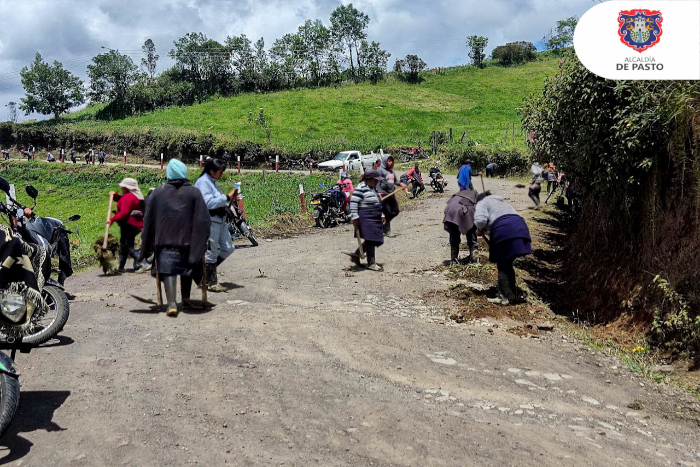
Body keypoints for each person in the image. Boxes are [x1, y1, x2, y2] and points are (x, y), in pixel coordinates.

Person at [139, 160, 211, 317]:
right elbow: (204, 220)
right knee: (187, 269)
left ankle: (171, 303)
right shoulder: (194, 192)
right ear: (184, 173)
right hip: (188, 244)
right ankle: (185, 299)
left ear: (169, 175)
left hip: (166, 245)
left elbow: (149, 220)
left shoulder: (158, 192)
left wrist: (146, 247)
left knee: (169, 270)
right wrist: (201, 241)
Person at [474, 192, 532, 305]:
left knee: (502, 264)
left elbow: (481, 221)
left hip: (505, 230)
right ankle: (511, 294)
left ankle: (503, 297)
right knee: (507, 263)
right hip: (521, 228)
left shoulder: (482, 203)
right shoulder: (502, 203)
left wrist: (479, 229)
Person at [195, 158, 238, 292]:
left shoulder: (212, 183)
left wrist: (228, 204)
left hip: (220, 220)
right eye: (220, 172)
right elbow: (208, 203)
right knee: (211, 252)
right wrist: (226, 197)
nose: (221, 174)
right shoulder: (203, 183)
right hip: (210, 220)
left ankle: (204, 274)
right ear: (212, 171)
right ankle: (211, 282)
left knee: (228, 248)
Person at [349, 169, 385, 271]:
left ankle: (356, 255)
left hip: (374, 217)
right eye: (375, 180)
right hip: (365, 217)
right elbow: (354, 203)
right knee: (371, 239)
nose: (377, 182)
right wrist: (355, 217)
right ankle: (371, 263)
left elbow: (377, 203)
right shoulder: (360, 189)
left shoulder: (373, 189)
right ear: (369, 180)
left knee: (372, 239)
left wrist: (381, 215)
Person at [107, 178, 146, 272]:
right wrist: (115, 196)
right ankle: (121, 266)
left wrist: (112, 219)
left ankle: (143, 263)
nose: (121, 189)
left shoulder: (128, 197)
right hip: (136, 224)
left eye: (122, 187)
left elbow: (124, 212)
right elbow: (123, 199)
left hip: (129, 225)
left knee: (128, 246)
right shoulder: (134, 196)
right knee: (124, 245)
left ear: (126, 188)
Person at [443, 188, 479, 264]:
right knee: (471, 232)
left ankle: (454, 258)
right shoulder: (476, 198)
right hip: (465, 212)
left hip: (451, 212)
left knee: (454, 235)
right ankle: (474, 258)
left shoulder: (458, 195)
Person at [377, 154, 405, 237]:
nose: (390, 162)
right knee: (387, 212)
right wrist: (378, 193)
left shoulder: (391, 171)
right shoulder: (380, 171)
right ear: (385, 161)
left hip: (391, 194)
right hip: (383, 195)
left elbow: (395, 181)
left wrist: (401, 183)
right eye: (389, 161)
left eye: (391, 161)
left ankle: (383, 225)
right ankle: (386, 230)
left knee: (395, 211)